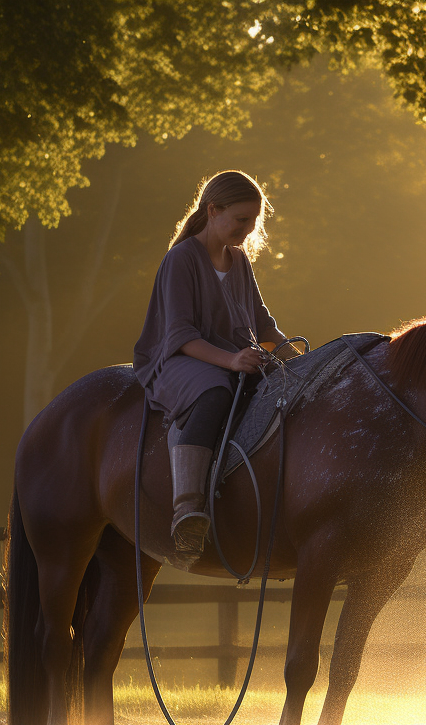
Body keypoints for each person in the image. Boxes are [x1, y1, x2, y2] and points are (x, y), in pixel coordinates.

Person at [133, 170, 293, 567]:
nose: (248, 229)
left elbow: (263, 322)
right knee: (217, 391)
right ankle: (186, 510)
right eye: (241, 220)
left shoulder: (238, 260)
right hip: (178, 360)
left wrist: (294, 358)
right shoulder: (181, 259)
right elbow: (181, 335)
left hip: (228, 357)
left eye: (253, 222)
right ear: (213, 210)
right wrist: (233, 360)